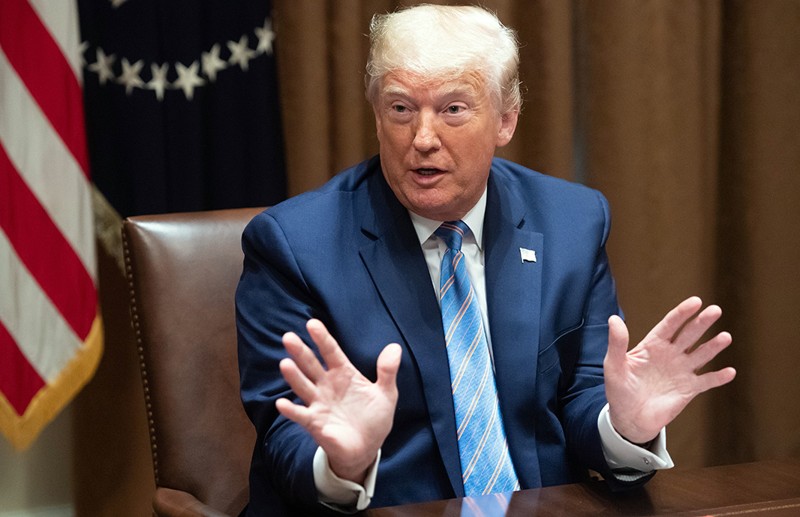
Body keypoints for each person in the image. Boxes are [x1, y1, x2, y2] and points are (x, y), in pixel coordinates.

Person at [235, 4, 736, 515]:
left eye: (453, 109)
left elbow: (581, 398)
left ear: (506, 119)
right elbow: (286, 432)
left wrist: (624, 427)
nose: (423, 138)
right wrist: (343, 462)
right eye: (401, 108)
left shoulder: (571, 222)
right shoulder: (294, 245)